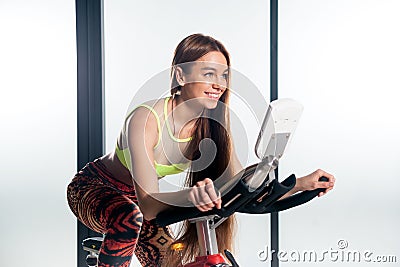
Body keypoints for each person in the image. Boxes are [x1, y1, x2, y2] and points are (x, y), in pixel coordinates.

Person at [67, 33, 335, 267]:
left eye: (224, 75)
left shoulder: (211, 129)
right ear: (180, 75)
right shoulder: (145, 119)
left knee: (171, 259)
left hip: (139, 203)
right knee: (129, 216)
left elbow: (240, 188)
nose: (219, 83)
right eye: (209, 74)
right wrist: (190, 196)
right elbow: (148, 205)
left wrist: (302, 184)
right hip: (95, 189)